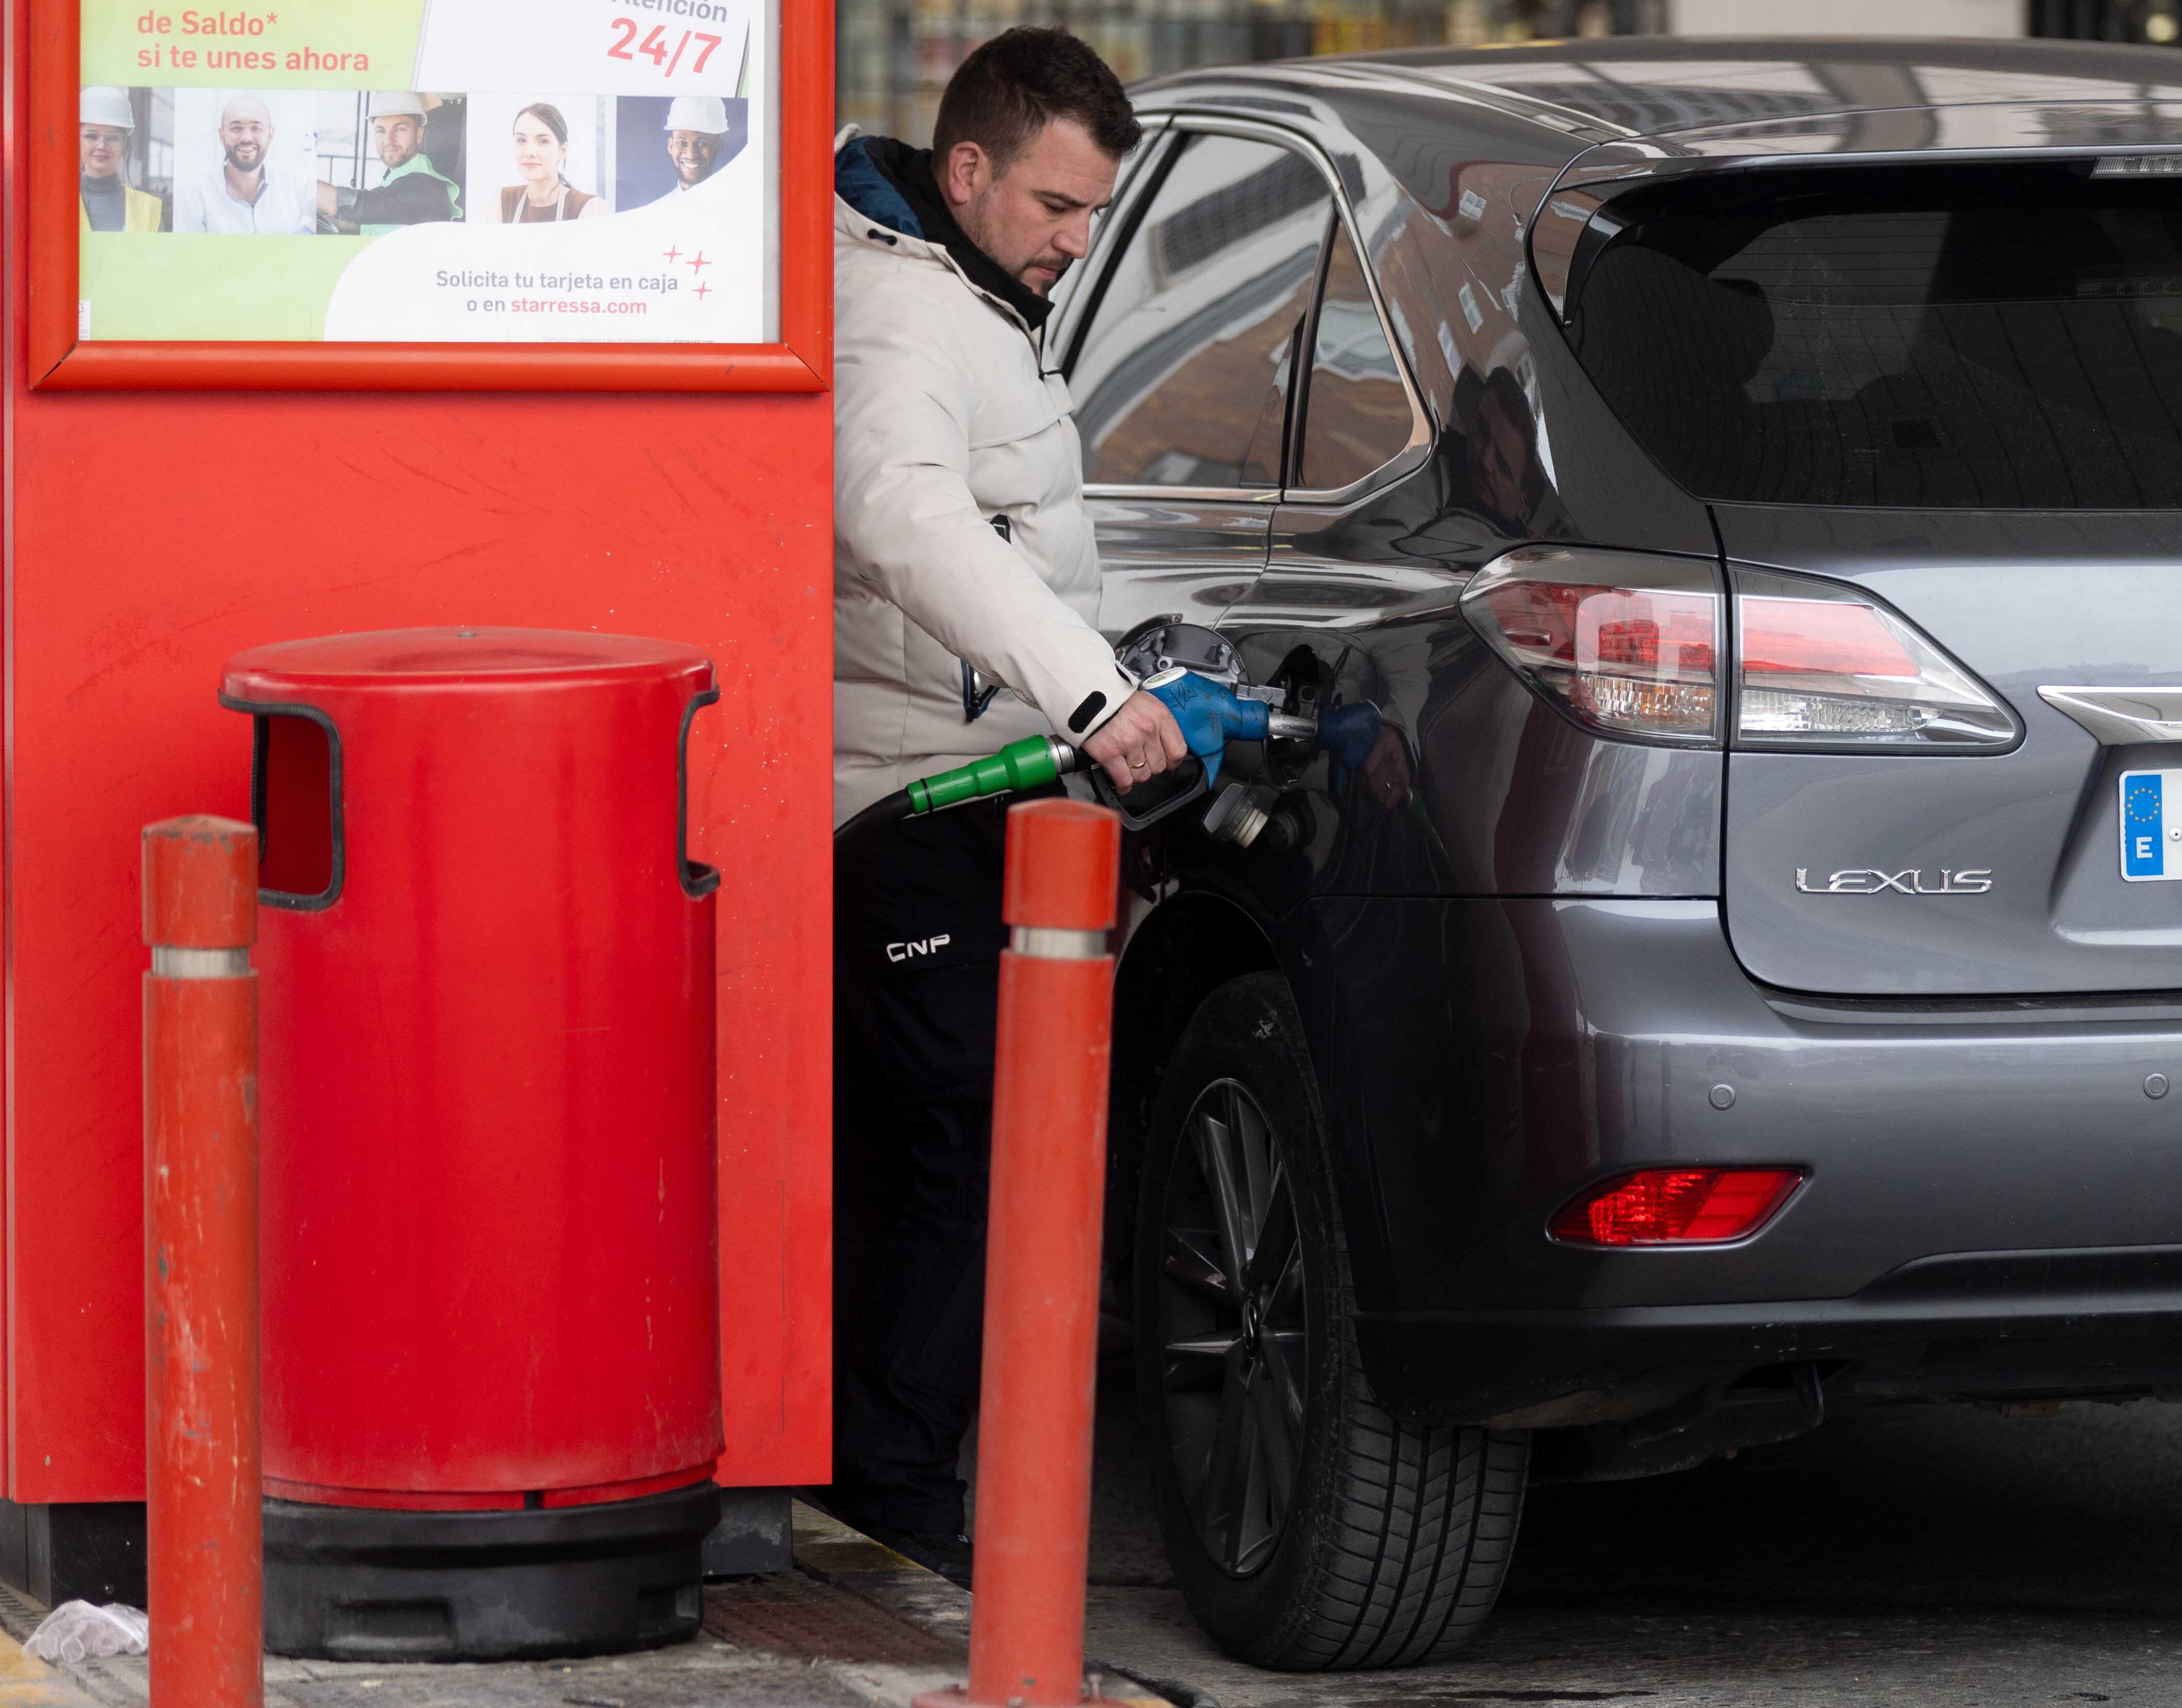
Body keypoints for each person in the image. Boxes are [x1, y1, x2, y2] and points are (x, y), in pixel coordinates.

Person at [824, 26, 1182, 1590]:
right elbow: (901, 511)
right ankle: (889, 1486)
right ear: (964, 171)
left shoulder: (974, 289)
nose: (1073, 239)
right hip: (897, 796)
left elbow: (1015, 528)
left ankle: (867, 1469)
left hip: (965, 777)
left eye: (1094, 214)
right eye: (1053, 203)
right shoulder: (903, 310)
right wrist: (1094, 696)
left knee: (923, 1144)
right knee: (974, 1135)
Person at [317, 93, 461, 235]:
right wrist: (317, 224)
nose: (389, 140)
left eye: (400, 129)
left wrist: (304, 185)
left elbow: (363, 207)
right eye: (381, 131)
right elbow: (374, 217)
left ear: (419, 135)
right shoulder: (400, 175)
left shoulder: (423, 187)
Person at [175, 94, 313, 235]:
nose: (246, 138)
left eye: (256, 128)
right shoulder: (195, 192)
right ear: (222, 135)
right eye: (236, 128)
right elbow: (188, 254)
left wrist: (305, 233)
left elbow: (334, 213)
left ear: (271, 135)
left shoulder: (295, 180)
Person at [498, 104, 606, 223]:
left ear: (562, 151)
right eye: (521, 140)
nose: (529, 152)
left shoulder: (589, 207)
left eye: (543, 141)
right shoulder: (502, 202)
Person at [79, 86, 161, 233]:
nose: (102, 146)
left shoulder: (149, 209)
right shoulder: (56, 203)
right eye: (91, 136)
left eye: (112, 138)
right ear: (78, 140)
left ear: (123, 144)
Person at [661, 94, 730, 195]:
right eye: (682, 143)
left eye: (702, 144)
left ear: (718, 147)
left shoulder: (736, 205)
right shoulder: (658, 210)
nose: (691, 155)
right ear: (670, 146)